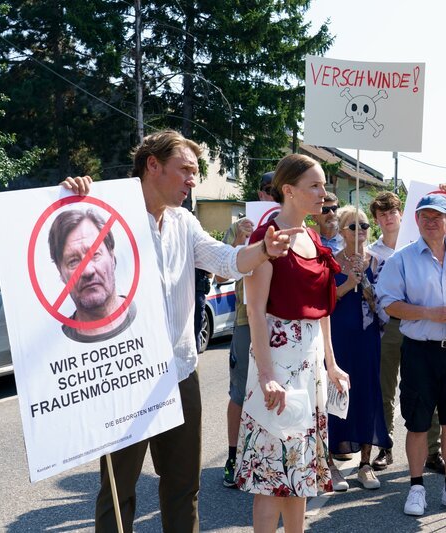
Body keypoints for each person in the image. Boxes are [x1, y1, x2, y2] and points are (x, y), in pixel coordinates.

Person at [62, 129, 298, 533]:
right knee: (118, 493)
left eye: (195, 172)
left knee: (183, 487)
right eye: (185, 170)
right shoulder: (103, 215)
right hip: (126, 377)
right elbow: (65, 240)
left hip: (180, 373)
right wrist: (69, 197)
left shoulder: (184, 222)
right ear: (152, 165)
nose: (193, 180)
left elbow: (225, 260)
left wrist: (263, 250)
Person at [234, 154, 349, 532]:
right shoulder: (266, 239)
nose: (324, 194)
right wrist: (267, 374)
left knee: (301, 475)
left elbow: (322, 309)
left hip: (310, 363)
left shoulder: (313, 237)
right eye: (314, 186)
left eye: (323, 185)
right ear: (289, 190)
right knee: (270, 477)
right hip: (278, 364)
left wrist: (331, 364)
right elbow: (255, 311)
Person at [376, 193, 446, 517]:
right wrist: (427, 313)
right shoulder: (402, 259)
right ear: (416, 220)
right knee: (417, 422)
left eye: (438, 216)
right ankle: (416, 487)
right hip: (419, 351)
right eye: (425, 216)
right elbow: (388, 303)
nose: (431, 222)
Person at [367, 191, 445, 474]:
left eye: (392, 213)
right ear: (377, 220)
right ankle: (385, 446)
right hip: (387, 327)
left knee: (428, 388)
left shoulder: (418, 244)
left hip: (421, 324)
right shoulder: (371, 252)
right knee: (385, 388)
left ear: (401, 214)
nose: (388, 219)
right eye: (382, 215)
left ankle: (433, 452)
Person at [326, 206, 392, 491]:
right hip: (338, 337)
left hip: (367, 338)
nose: (361, 231)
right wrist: (346, 285)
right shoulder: (329, 261)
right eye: (353, 226)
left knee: (366, 394)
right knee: (334, 397)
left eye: (364, 225)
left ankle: (365, 464)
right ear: (342, 231)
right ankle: (329, 464)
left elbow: (385, 306)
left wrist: (365, 285)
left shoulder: (378, 262)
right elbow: (322, 302)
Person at [221, 171, 276, 488]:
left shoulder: (292, 225)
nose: (272, 196)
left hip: (281, 320)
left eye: (278, 191)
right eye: (267, 190)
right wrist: (239, 240)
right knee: (240, 391)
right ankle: (233, 456)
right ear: (260, 192)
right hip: (246, 318)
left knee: (276, 389)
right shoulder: (241, 224)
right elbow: (218, 277)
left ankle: (270, 456)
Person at [47, 208, 137, 343]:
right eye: (73, 261)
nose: (88, 271)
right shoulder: (54, 348)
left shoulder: (152, 315)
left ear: (112, 256)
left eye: (95, 254)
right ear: (60, 272)